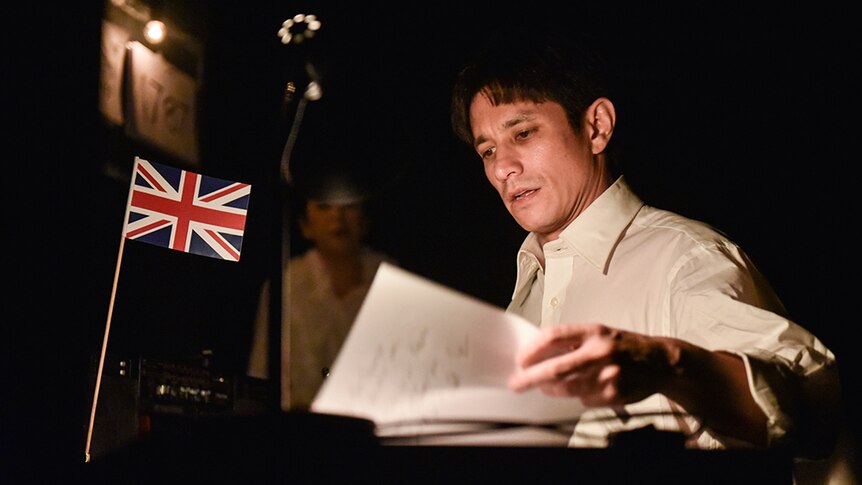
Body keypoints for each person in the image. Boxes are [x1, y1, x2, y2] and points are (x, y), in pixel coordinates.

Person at [449, 27, 846, 479]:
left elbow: (813, 411)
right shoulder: (527, 285)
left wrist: (665, 364)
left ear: (596, 126)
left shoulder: (683, 257)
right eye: (487, 150)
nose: (502, 167)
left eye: (522, 133)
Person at [247, 166, 394, 411]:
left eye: (349, 205)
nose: (337, 218)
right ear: (305, 224)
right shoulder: (287, 282)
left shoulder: (389, 278)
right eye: (324, 207)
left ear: (364, 219)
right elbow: (261, 371)